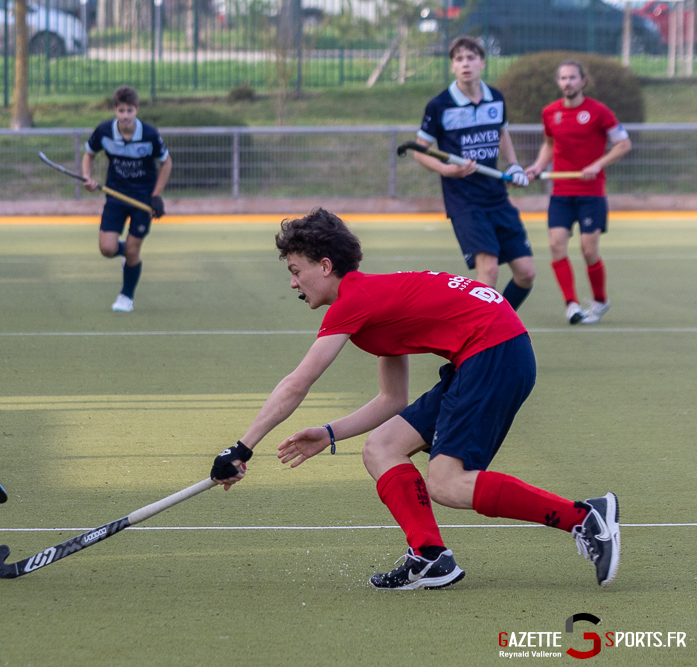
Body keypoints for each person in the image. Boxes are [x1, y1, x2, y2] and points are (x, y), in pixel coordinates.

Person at [209, 209, 620, 590]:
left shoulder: (354, 302)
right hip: (491, 351)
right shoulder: (376, 300)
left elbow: (297, 383)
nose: (293, 282)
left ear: (325, 266)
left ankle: (584, 517)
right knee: (383, 446)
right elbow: (393, 399)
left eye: (297, 271)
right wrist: (329, 434)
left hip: (493, 350)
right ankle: (429, 557)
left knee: (447, 482)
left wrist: (243, 447)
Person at [413, 36, 535, 310]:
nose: (465, 64)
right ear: (453, 67)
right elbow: (420, 150)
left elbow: (502, 132)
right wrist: (448, 170)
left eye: (470, 58)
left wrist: (513, 164)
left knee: (526, 273)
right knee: (488, 272)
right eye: (459, 59)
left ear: (482, 63)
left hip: (497, 197)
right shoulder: (440, 105)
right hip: (465, 201)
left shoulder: (496, 98)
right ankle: (479, 340)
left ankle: (498, 323)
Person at [525, 60, 631, 325]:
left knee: (588, 248)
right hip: (561, 191)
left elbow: (623, 144)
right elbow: (549, 144)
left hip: (591, 193)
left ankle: (600, 300)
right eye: (563, 78)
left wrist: (597, 164)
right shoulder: (550, 112)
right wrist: (538, 166)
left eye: (572, 78)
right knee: (555, 244)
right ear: (558, 82)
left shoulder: (599, 112)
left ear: (583, 81)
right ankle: (571, 304)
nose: (567, 83)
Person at [82, 85, 172, 313]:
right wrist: (87, 177)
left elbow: (166, 163)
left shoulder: (150, 135)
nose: (125, 116)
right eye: (121, 110)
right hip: (115, 195)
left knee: (133, 251)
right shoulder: (104, 131)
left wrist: (156, 196)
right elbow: (89, 154)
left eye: (130, 110)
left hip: (142, 199)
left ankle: (126, 297)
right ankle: (128, 253)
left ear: (137, 110)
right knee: (107, 249)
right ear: (115, 110)